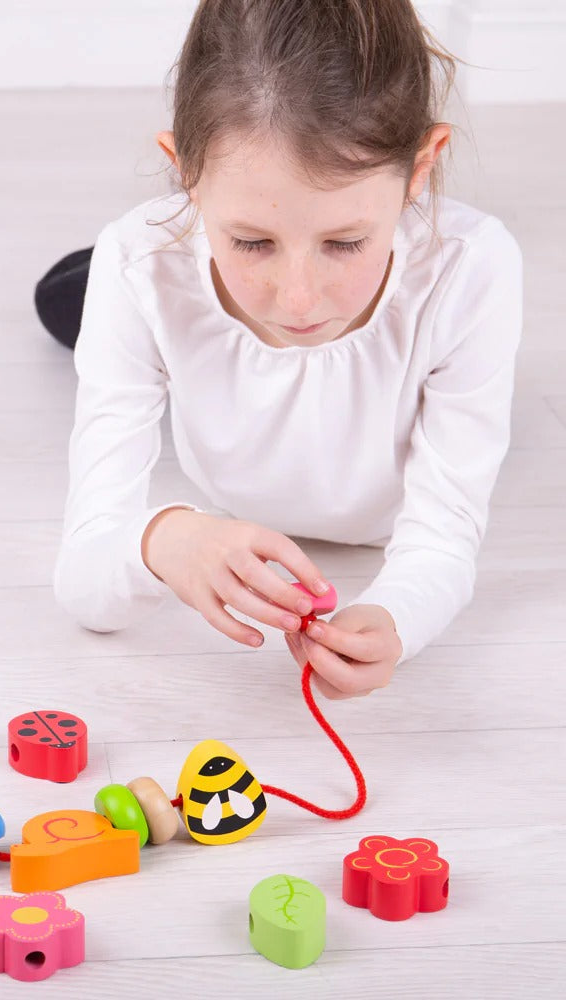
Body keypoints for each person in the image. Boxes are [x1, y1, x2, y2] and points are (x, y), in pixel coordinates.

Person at [39, 0, 524, 700]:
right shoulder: (138, 262)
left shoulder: (473, 267)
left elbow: (443, 540)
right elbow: (85, 578)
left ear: (422, 170)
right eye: (252, 241)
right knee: (70, 295)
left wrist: (395, 617)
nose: (299, 301)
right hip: (152, 262)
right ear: (185, 172)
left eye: (345, 242)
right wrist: (165, 539)